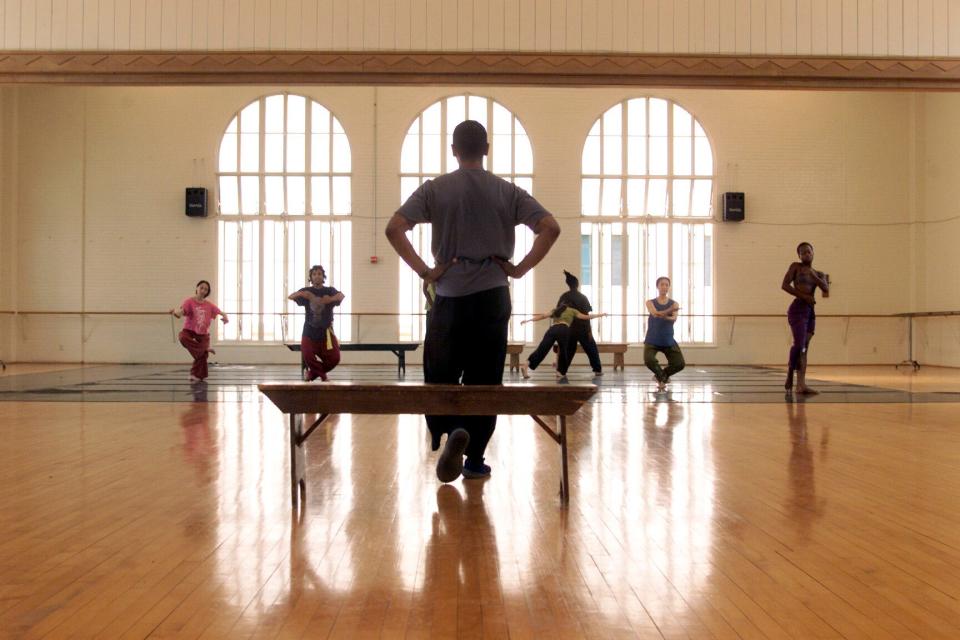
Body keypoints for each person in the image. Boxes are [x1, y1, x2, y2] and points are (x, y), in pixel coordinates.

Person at [385, 119, 560, 483]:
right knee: (485, 380)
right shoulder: (507, 192)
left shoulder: (436, 189)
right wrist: (519, 269)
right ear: (486, 149)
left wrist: (425, 271)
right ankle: (474, 457)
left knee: (441, 376)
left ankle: (450, 431)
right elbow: (551, 227)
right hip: (493, 296)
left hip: (449, 297)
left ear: (453, 150)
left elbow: (394, 227)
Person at [782, 242, 830, 394]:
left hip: (810, 312)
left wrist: (814, 275)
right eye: (803, 253)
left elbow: (826, 290)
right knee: (799, 343)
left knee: (804, 348)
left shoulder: (818, 273)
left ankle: (801, 385)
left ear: (813, 253)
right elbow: (784, 285)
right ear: (799, 256)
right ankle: (790, 371)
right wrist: (804, 296)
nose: (806, 255)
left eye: (808, 252)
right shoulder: (795, 267)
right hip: (797, 309)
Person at [288, 264, 345, 382]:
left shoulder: (329, 290)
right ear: (311, 277)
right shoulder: (307, 290)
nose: (317, 276)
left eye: (319, 274)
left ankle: (312, 374)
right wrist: (302, 294)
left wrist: (331, 299)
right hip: (309, 331)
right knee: (308, 355)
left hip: (326, 332)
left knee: (335, 358)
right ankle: (323, 376)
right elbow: (290, 296)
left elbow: (341, 296)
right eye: (314, 274)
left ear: (323, 276)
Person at [520, 305, 606, 380]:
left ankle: (526, 365)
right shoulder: (572, 310)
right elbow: (586, 317)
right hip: (563, 329)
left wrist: (528, 320)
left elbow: (543, 316)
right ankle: (559, 372)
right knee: (564, 351)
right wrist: (600, 315)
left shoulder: (556, 310)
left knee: (541, 349)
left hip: (552, 329)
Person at [170, 280, 228, 382]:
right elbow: (180, 313)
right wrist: (174, 312)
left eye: (206, 289)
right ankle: (204, 349)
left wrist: (225, 318)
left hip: (203, 333)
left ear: (207, 292)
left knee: (202, 356)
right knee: (182, 337)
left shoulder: (209, 305)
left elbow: (222, 313)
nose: (203, 290)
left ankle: (196, 375)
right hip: (190, 330)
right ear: (197, 288)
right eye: (201, 287)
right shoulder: (189, 302)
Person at [556, 270, 603, 376]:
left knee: (568, 351)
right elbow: (586, 316)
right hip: (582, 329)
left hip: (569, 329)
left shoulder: (564, 296)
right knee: (591, 349)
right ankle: (597, 370)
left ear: (568, 284)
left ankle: (562, 371)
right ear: (577, 284)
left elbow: (558, 313)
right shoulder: (582, 297)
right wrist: (589, 331)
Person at [644, 276, 685, 392]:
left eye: (667, 285)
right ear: (657, 286)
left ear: (669, 287)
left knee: (680, 363)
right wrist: (669, 311)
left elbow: (673, 319)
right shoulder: (650, 302)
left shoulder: (674, 303)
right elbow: (655, 313)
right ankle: (662, 377)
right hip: (652, 338)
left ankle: (661, 376)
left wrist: (668, 313)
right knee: (649, 360)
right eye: (662, 284)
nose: (664, 287)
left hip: (667, 338)